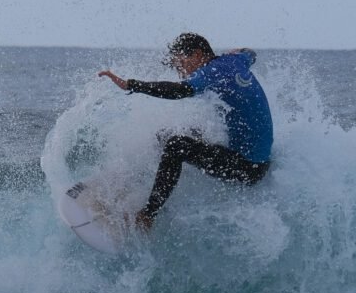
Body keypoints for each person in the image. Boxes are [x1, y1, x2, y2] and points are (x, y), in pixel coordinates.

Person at [98, 32, 273, 231]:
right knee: (168, 135)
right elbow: (250, 53)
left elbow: (179, 90)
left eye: (180, 63)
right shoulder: (235, 60)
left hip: (248, 169)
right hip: (258, 159)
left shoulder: (210, 72)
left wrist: (131, 84)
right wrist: (241, 50)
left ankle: (147, 216)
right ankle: (139, 185)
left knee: (176, 145)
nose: (181, 72)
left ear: (197, 54)